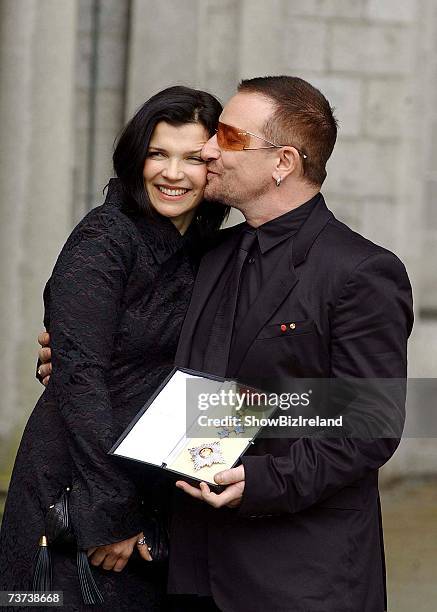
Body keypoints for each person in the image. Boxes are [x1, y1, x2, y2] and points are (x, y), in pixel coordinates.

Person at [37, 76, 413, 612]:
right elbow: (166, 360)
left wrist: (261, 479)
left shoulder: (361, 271)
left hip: (300, 579)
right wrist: (81, 355)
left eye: (229, 137)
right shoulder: (209, 253)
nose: (209, 150)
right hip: (184, 569)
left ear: (283, 162)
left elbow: (372, 418)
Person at [0, 85, 228, 611]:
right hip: (77, 491)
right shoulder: (104, 239)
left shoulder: (210, 252)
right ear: (135, 156)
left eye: (193, 158)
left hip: (157, 501)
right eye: (158, 153)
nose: (173, 173)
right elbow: (80, 380)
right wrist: (111, 514)